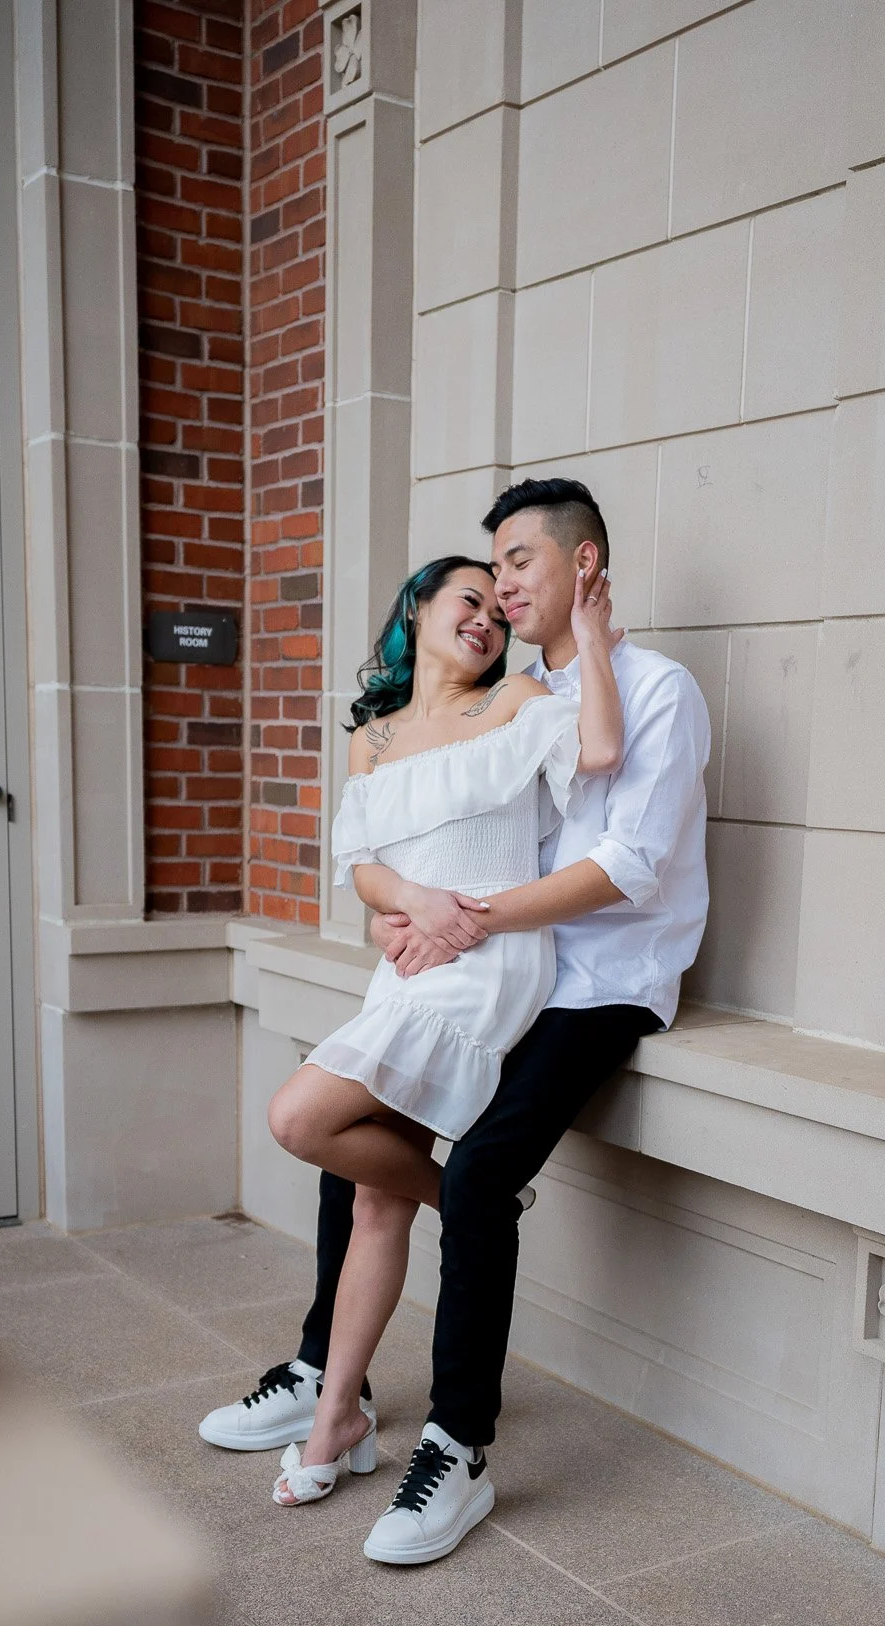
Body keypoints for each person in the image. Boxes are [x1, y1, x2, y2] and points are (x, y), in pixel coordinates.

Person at [200, 477, 711, 1567]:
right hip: (484, 959)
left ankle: (459, 1447)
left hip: (600, 980)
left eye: (517, 563)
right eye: (485, 575)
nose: (500, 589)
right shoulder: (514, 690)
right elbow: (453, 839)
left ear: (581, 566)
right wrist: (407, 916)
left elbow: (624, 864)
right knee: (363, 1150)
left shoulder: (655, 688)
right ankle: (325, 1384)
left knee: (471, 1177)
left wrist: (457, 924)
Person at [258, 547, 624, 1512]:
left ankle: (472, 1196)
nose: (487, 622)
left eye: (499, 615)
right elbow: (365, 865)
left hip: (485, 957)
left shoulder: (510, 707)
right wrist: (410, 902)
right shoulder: (371, 739)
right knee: (374, 1197)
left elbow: (599, 755)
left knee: (301, 1119)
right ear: (418, 608)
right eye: (470, 600)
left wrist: (587, 638)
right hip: (412, 956)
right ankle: (338, 1413)